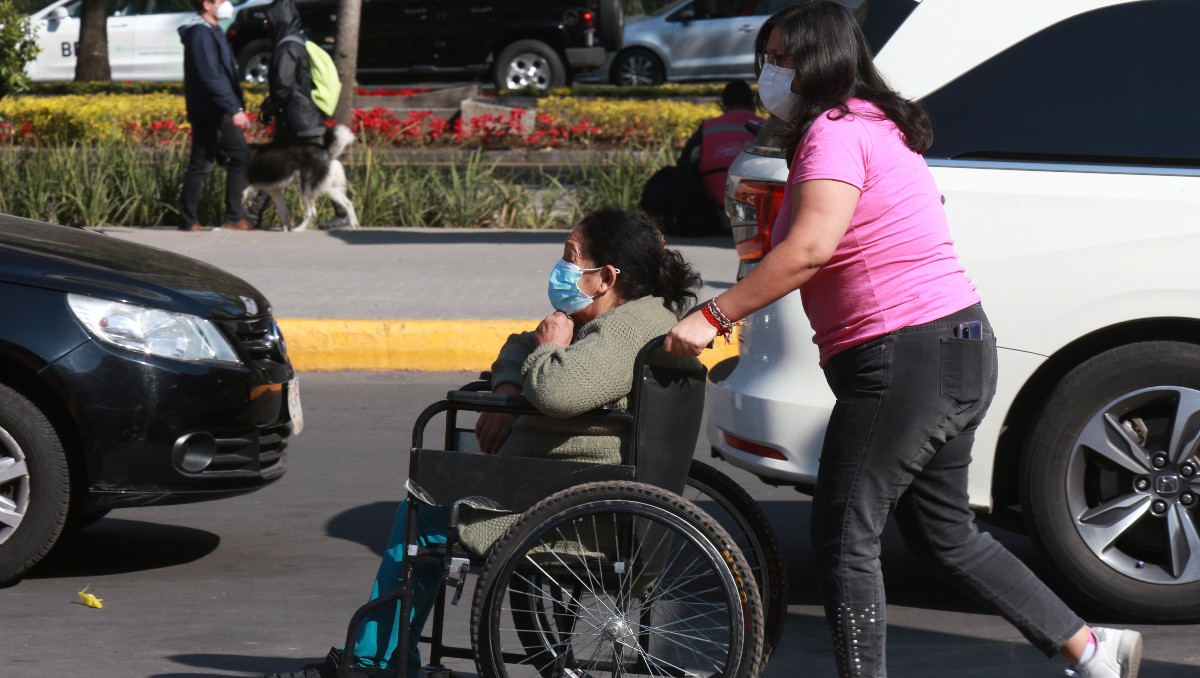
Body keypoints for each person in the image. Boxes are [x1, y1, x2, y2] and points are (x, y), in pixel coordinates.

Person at [663, 3, 1142, 678]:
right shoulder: (873, 122)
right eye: (764, 60)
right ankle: (1089, 650)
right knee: (943, 533)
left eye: (782, 60)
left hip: (905, 356)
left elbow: (809, 250)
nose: (769, 73)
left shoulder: (834, 130)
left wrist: (710, 316)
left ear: (821, 62)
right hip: (954, 346)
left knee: (843, 536)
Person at [267, 209, 702, 678]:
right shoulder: (628, 318)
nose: (560, 270)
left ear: (606, 277)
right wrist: (507, 390)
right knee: (433, 493)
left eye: (571, 259)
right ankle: (388, 658)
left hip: (569, 509)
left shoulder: (623, 331)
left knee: (428, 509)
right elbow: (520, 342)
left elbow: (557, 389)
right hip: (563, 487)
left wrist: (549, 347)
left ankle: (377, 662)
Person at [248, 0, 354, 230]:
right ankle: (253, 215)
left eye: (269, 20)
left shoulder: (286, 47)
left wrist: (268, 107)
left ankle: (343, 212)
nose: (266, 25)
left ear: (279, 20)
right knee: (277, 164)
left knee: (297, 163)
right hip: (302, 119)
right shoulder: (297, 43)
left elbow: (283, 86)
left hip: (299, 122)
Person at [641, 80, 761, 237]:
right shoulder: (765, 126)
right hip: (757, 211)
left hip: (715, 213)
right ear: (753, 104)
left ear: (723, 105)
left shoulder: (708, 128)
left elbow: (684, 163)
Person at [178, 0, 252, 232]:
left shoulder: (212, 31)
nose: (226, 4)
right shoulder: (200, 33)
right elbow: (211, 75)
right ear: (207, 5)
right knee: (201, 163)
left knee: (240, 155)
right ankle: (188, 219)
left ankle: (233, 216)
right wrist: (234, 109)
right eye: (219, 1)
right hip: (208, 110)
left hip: (218, 108)